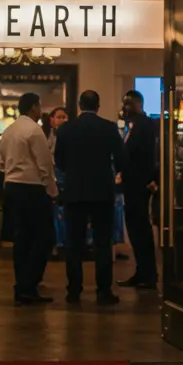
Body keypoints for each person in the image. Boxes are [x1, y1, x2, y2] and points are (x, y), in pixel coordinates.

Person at [55, 90, 126, 305]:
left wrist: (73, 173)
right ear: (98, 105)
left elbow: (59, 160)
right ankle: (103, 290)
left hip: (75, 191)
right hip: (102, 191)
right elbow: (122, 157)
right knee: (102, 243)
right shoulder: (108, 127)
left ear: (79, 105)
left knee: (74, 244)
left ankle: (74, 290)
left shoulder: (67, 128)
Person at [0, 93, 56, 305]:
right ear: (33, 107)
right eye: (39, 106)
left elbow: (0, 163)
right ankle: (29, 285)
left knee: (21, 239)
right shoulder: (34, 130)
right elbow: (45, 165)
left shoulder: (9, 131)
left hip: (12, 187)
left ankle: (21, 285)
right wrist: (52, 191)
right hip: (31, 188)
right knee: (44, 237)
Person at [119, 89, 159, 291]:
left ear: (138, 104)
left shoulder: (143, 125)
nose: (124, 108)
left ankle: (148, 274)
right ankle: (142, 272)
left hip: (138, 186)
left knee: (140, 230)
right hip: (132, 185)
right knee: (136, 230)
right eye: (123, 103)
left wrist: (146, 181)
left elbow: (143, 157)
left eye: (128, 103)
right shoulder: (133, 125)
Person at [49, 107, 69, 253]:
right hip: (53, 175)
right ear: (52, 120)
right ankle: (56, 242)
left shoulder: (72, 135)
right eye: (59, 117)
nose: (62, 120)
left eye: (64, 117)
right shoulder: (48, 137)